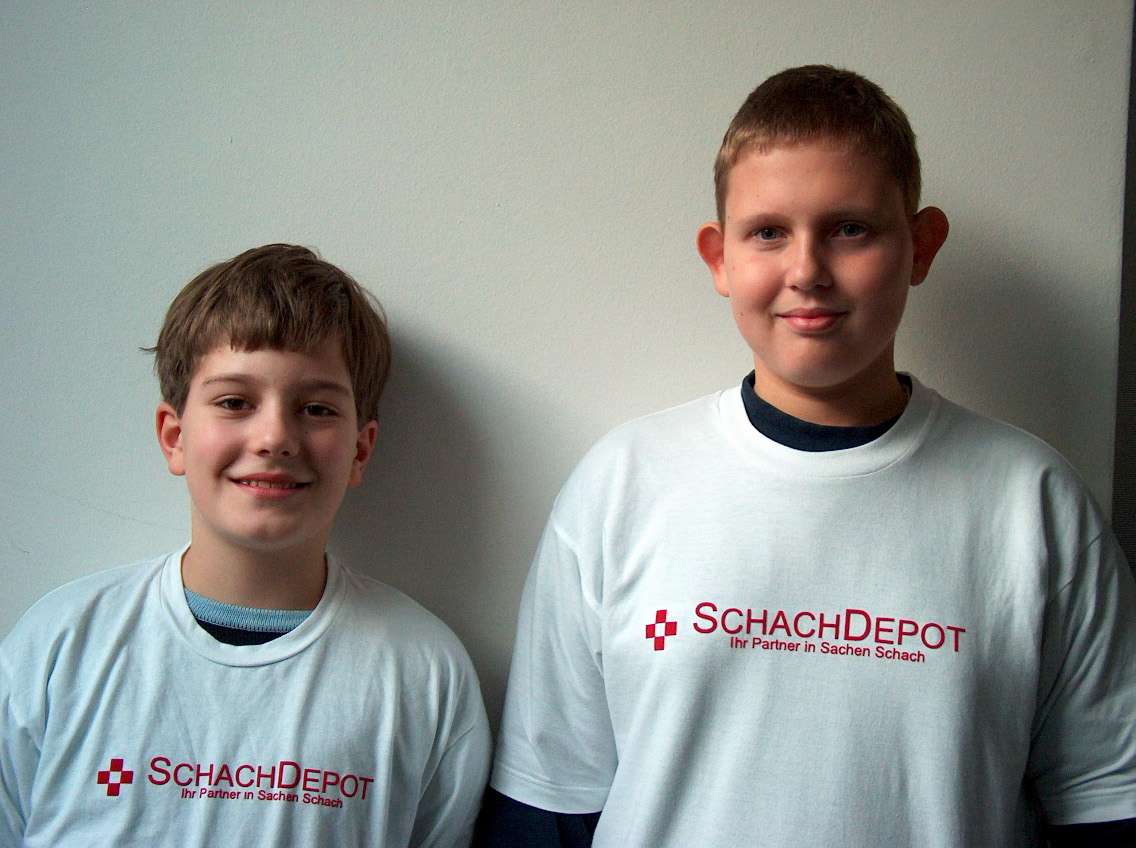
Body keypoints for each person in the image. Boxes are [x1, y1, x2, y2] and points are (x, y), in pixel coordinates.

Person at [479, 66, 1136, 846]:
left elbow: (1106, 802)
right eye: (768, 232)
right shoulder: (621, 485)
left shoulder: (1033, 503)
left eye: (850, 228)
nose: (806, 272)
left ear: (921, 246)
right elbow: (548, 805)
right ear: (719, 258)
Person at [0, 244, 490, 846]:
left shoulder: (424, 672)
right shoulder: (61, 645)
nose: (274, 436)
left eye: (316, 408)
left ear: (361, 450)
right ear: (175, 437)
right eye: (235, 402)